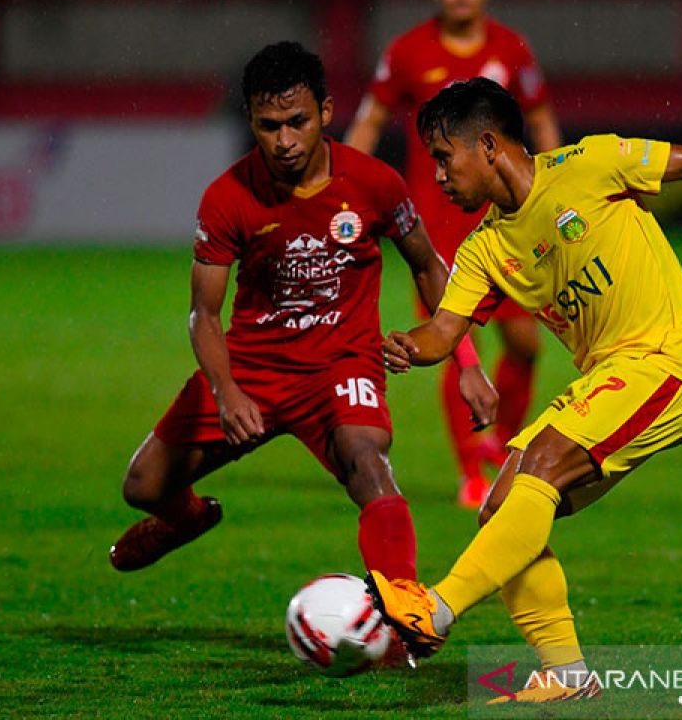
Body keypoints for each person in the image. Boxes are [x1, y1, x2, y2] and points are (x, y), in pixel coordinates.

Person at [365, 77, 682, 703]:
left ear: (487, 145)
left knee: (535, 468)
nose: (436, 176)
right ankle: (566, 676)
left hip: (664, 362)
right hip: (608, 379)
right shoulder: (484, 248)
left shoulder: (590, 163)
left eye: (442, 156)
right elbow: (441, 334)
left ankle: (435, 610)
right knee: (504, 504)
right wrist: (407, 344)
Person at [109, 43, 495, 589]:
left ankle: (402, 612)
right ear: (250, 120)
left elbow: (430, 269)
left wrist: (468, 364)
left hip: (343, 364)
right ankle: (189, 519)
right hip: (252, 367)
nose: (285, 141)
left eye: (297, 122)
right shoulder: (227, 198)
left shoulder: (374, 183)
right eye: (269, 126)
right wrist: (226, 392)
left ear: (326, 113)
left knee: (369, 463)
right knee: (144, 488)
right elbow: (204, 315)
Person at [345, 0, 561, 509]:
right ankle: (473, 470)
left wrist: (556, 184)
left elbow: (537, 116)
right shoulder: (408, 52)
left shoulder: (511, 49)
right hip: (434, 226)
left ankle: (504, 445)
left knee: (525, 345)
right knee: (455, 344)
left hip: (506, 223)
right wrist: (343, 186)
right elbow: (370, 119)